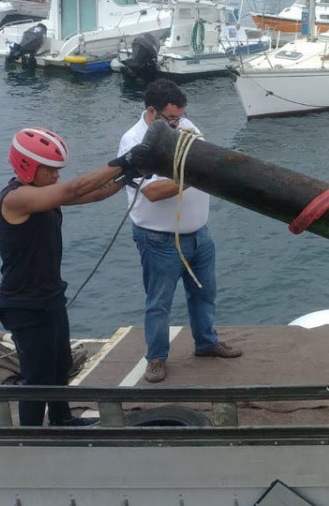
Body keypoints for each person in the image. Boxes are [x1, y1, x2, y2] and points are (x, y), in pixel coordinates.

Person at [0, 127, 149, 426]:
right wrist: (124, 160)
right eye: (51, 170)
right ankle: (31, 439)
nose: (56, 176)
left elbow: (90, 194)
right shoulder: (16, 199)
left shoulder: (41, 195)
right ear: (28, 167)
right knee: (37, 379)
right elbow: (73, 188)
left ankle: (61, 420)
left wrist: (127, 177)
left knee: (60, 366)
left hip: (50, 297)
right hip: (24, 304)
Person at [119, 78, 241, 384]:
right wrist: (195, 176)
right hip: (159, 239)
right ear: (152, 111)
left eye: (179, 117)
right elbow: (153, 191)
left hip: (199, 233)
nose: (176, 123)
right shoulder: (134, 142)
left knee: (204, 293)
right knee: (159, 301)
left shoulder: (187, 127)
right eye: (170, 118)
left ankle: (207, 342)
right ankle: (156, 358)